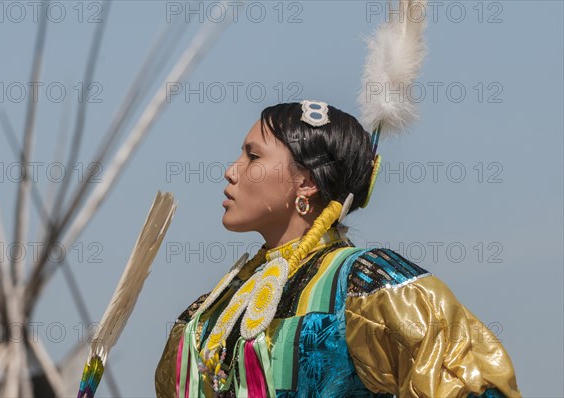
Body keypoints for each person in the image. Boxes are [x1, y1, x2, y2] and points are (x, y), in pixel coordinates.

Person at [154, 101, 520, 397]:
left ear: (307, 182)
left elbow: (469, 381)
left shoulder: (368, 283)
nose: (231, 171)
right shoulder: (211, 310)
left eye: (253, 157)